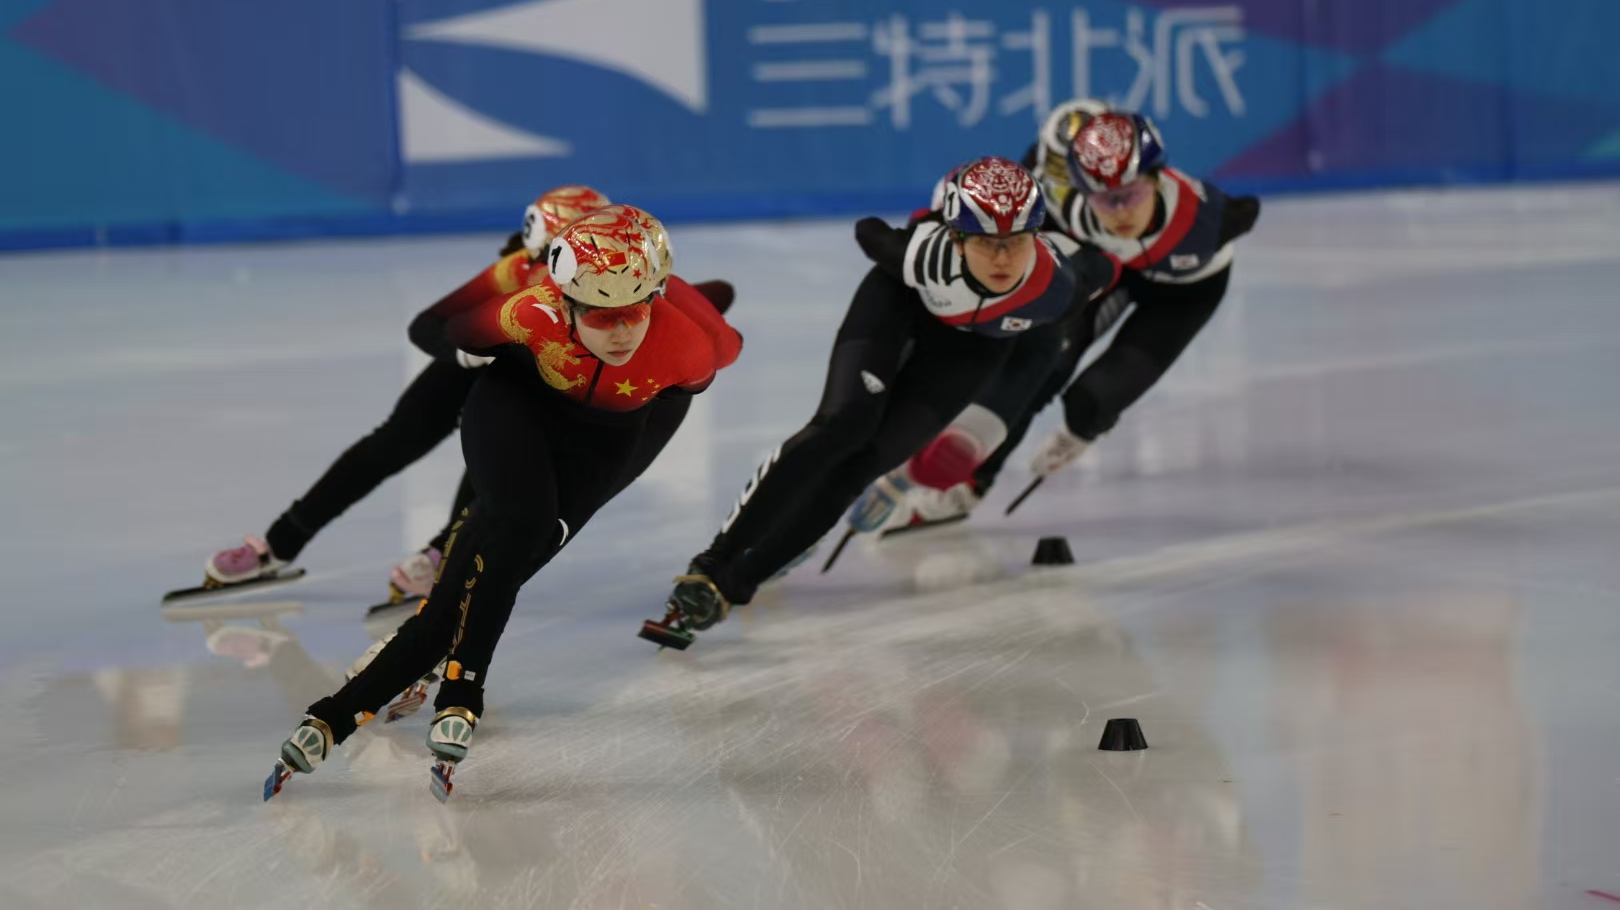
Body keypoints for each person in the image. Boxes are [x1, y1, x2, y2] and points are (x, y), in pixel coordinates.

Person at [269, 205, 741, 799]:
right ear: (564, 297)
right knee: (517, 523)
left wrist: (691, 300)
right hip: (515, 405)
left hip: (612, 435)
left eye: (634, 310)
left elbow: (719, 338)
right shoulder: (524, 305)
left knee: (516, 553)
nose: (619, 331)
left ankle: (338, 714)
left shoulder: (692, 351)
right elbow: (445, 331)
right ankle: (460, 691)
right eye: (598, 314)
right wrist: (475, 364)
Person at [639, 157, 1117, 649]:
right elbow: (869, 232)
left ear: (1036, 239)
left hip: (972, 348)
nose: (1002, 258)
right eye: (986, 243)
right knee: (842, 426)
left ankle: (729, 589)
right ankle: (713, 563)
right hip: (898, 304)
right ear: (956, 238)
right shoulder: (922, 255)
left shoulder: (1056, 288)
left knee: (862, 466)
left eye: (1015, 242)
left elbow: (1104, 267)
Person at [185, 187, 612, 603]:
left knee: (500, 458)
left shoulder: (608, 294)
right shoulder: (516, 269)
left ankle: (445, 554)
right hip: (482, 359)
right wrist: (463, 356)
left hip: (530, 379)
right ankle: (281, 543)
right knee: (393, 441)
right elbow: (426, 325)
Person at [878, 104, 1261, 528]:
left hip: (1184, 292)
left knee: (1094, 402)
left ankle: (1081, 421)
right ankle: (971, 481)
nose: (1118, 212)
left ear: (1156, 178)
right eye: (1100, 197)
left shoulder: (1208, 220)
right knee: (1045, 361)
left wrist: (1084, 431)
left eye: (1129, 194)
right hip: (1107, 269)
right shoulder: (1064, 209)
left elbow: (1249, 210)